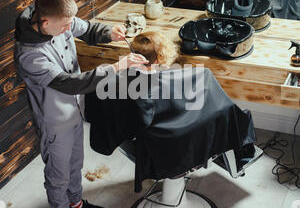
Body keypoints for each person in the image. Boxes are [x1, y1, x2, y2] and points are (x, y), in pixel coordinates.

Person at [14, 0, 148, 208]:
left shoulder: (57, 20)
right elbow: (69, 83)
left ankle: (76, 206)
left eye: (68, 24)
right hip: (55, 121)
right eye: (63, 26)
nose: (68, 30)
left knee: (76, 162)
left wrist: (108, 33)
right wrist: (117, 67)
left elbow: (86, 28)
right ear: (43, 22)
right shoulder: (30, 56)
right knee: (58, 173)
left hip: (76, 112)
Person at [85, 31, 257, 193]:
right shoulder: (199, 74)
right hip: (179, 146)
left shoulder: (121, 85)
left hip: (158, 147)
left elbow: (122, 121)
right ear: (161, 56)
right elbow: (222, 108)